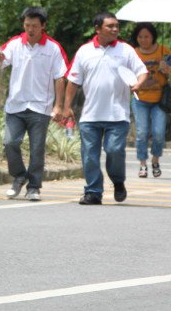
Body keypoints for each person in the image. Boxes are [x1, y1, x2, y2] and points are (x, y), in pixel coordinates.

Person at [63, 12, 148, 205]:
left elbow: (142, 71)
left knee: (114, 150)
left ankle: (118, 181)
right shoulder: (84, 51)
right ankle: (93, 192)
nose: (115, 29)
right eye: (110, 26)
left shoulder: (125, 50)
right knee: (89, 156)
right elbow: (73, 81)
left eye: (117, 26)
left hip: (118, 115)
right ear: (98, 28)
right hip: (89, 116)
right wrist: (67, 107)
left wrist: (138, 84)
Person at [0, 7, 69, 201]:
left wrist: (58, 106)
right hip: (15, 105)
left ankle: (34, 187)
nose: (30, 29)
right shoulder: (15, 44)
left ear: (43, 26)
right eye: (27, 25)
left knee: (37, 149)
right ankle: (19, 176)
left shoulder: (53, 48)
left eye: (35, 26)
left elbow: (60, 77)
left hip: (40, 107)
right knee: (10, 142)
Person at [130, 22, 171, 178]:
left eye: (147, 36)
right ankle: (142, 164)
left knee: (158, 133)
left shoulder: (164, 51)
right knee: (142, 132)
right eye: (140, 37)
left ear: (153, 36)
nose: (143, 39)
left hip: (159, 100)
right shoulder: (133, 53)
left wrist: (166, 68)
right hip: (140, 99)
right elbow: (127, 72)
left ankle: (155, 160)